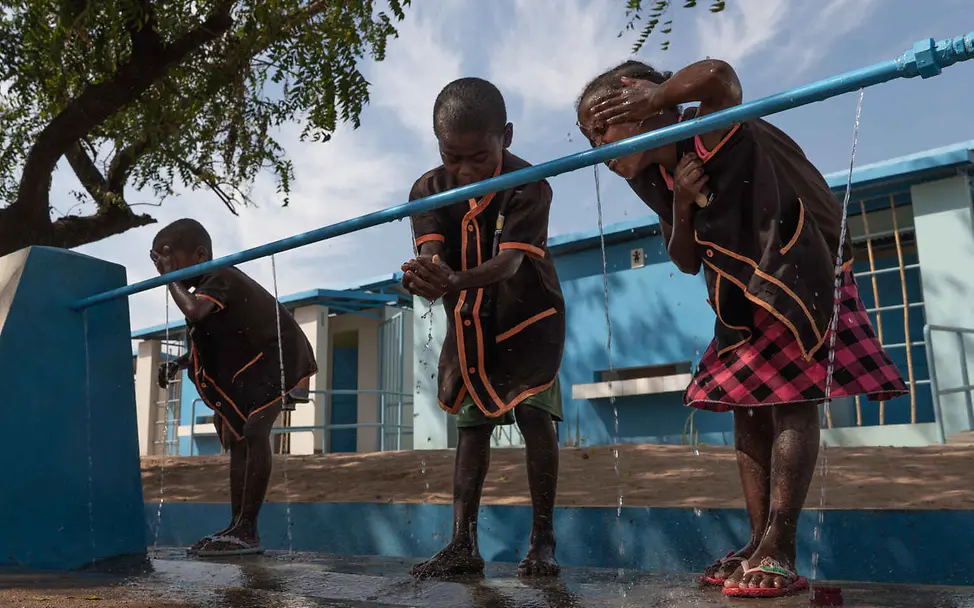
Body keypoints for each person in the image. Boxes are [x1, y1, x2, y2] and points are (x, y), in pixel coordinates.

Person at [576, 60, 907, 598]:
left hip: (800, 269)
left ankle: (783, 543)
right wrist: (681, 203)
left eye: (602, 126)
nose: (597, 148)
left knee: (793, 400)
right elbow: (684, 258)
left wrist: (658, 96)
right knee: (747, 405)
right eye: (589, 138)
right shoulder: (650, 176)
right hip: (741, 294)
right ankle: (758, 541)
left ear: (636, 99)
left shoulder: (709, 124)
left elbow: (720, 76)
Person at [401, 77, 566, 579]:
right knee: (471, 428)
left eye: (478, 157)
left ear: (507, 136)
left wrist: (453, 278)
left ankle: (542, 541)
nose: (465, 170)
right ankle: (462, 543)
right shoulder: (427, 189)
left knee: (534, 416)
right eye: (453, 157)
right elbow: (431, 250)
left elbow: (511, 264)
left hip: (528, 318)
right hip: (471, 323)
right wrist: (426, 273)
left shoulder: (530, 184)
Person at [151, 218, 317, 558]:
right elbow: (208, 337)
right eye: (161, 263)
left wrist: (167, 279)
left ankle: (248, 529)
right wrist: (179, 364)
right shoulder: (206, 288)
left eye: (172, 261)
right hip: (257, 363)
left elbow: (196, 313)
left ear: (200, 255)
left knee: (255, 428)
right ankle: (236, 526)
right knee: (235, 433)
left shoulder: (220, 277)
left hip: (281, 357)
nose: (168, 269)